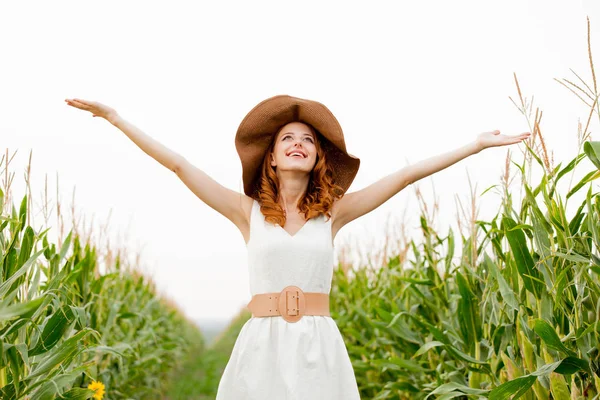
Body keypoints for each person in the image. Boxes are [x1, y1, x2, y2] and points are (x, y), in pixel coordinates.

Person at [64, 94, 530, 399]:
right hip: (262, 344)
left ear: (317, 158)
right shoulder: (244, 212)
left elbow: (404, 176)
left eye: (308, 140)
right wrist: (116, 118)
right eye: (288, 138)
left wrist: (474, 145)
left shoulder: (334, 214)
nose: (298, 144)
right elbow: (181, 166)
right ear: (271, 156)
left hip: (317, 346)